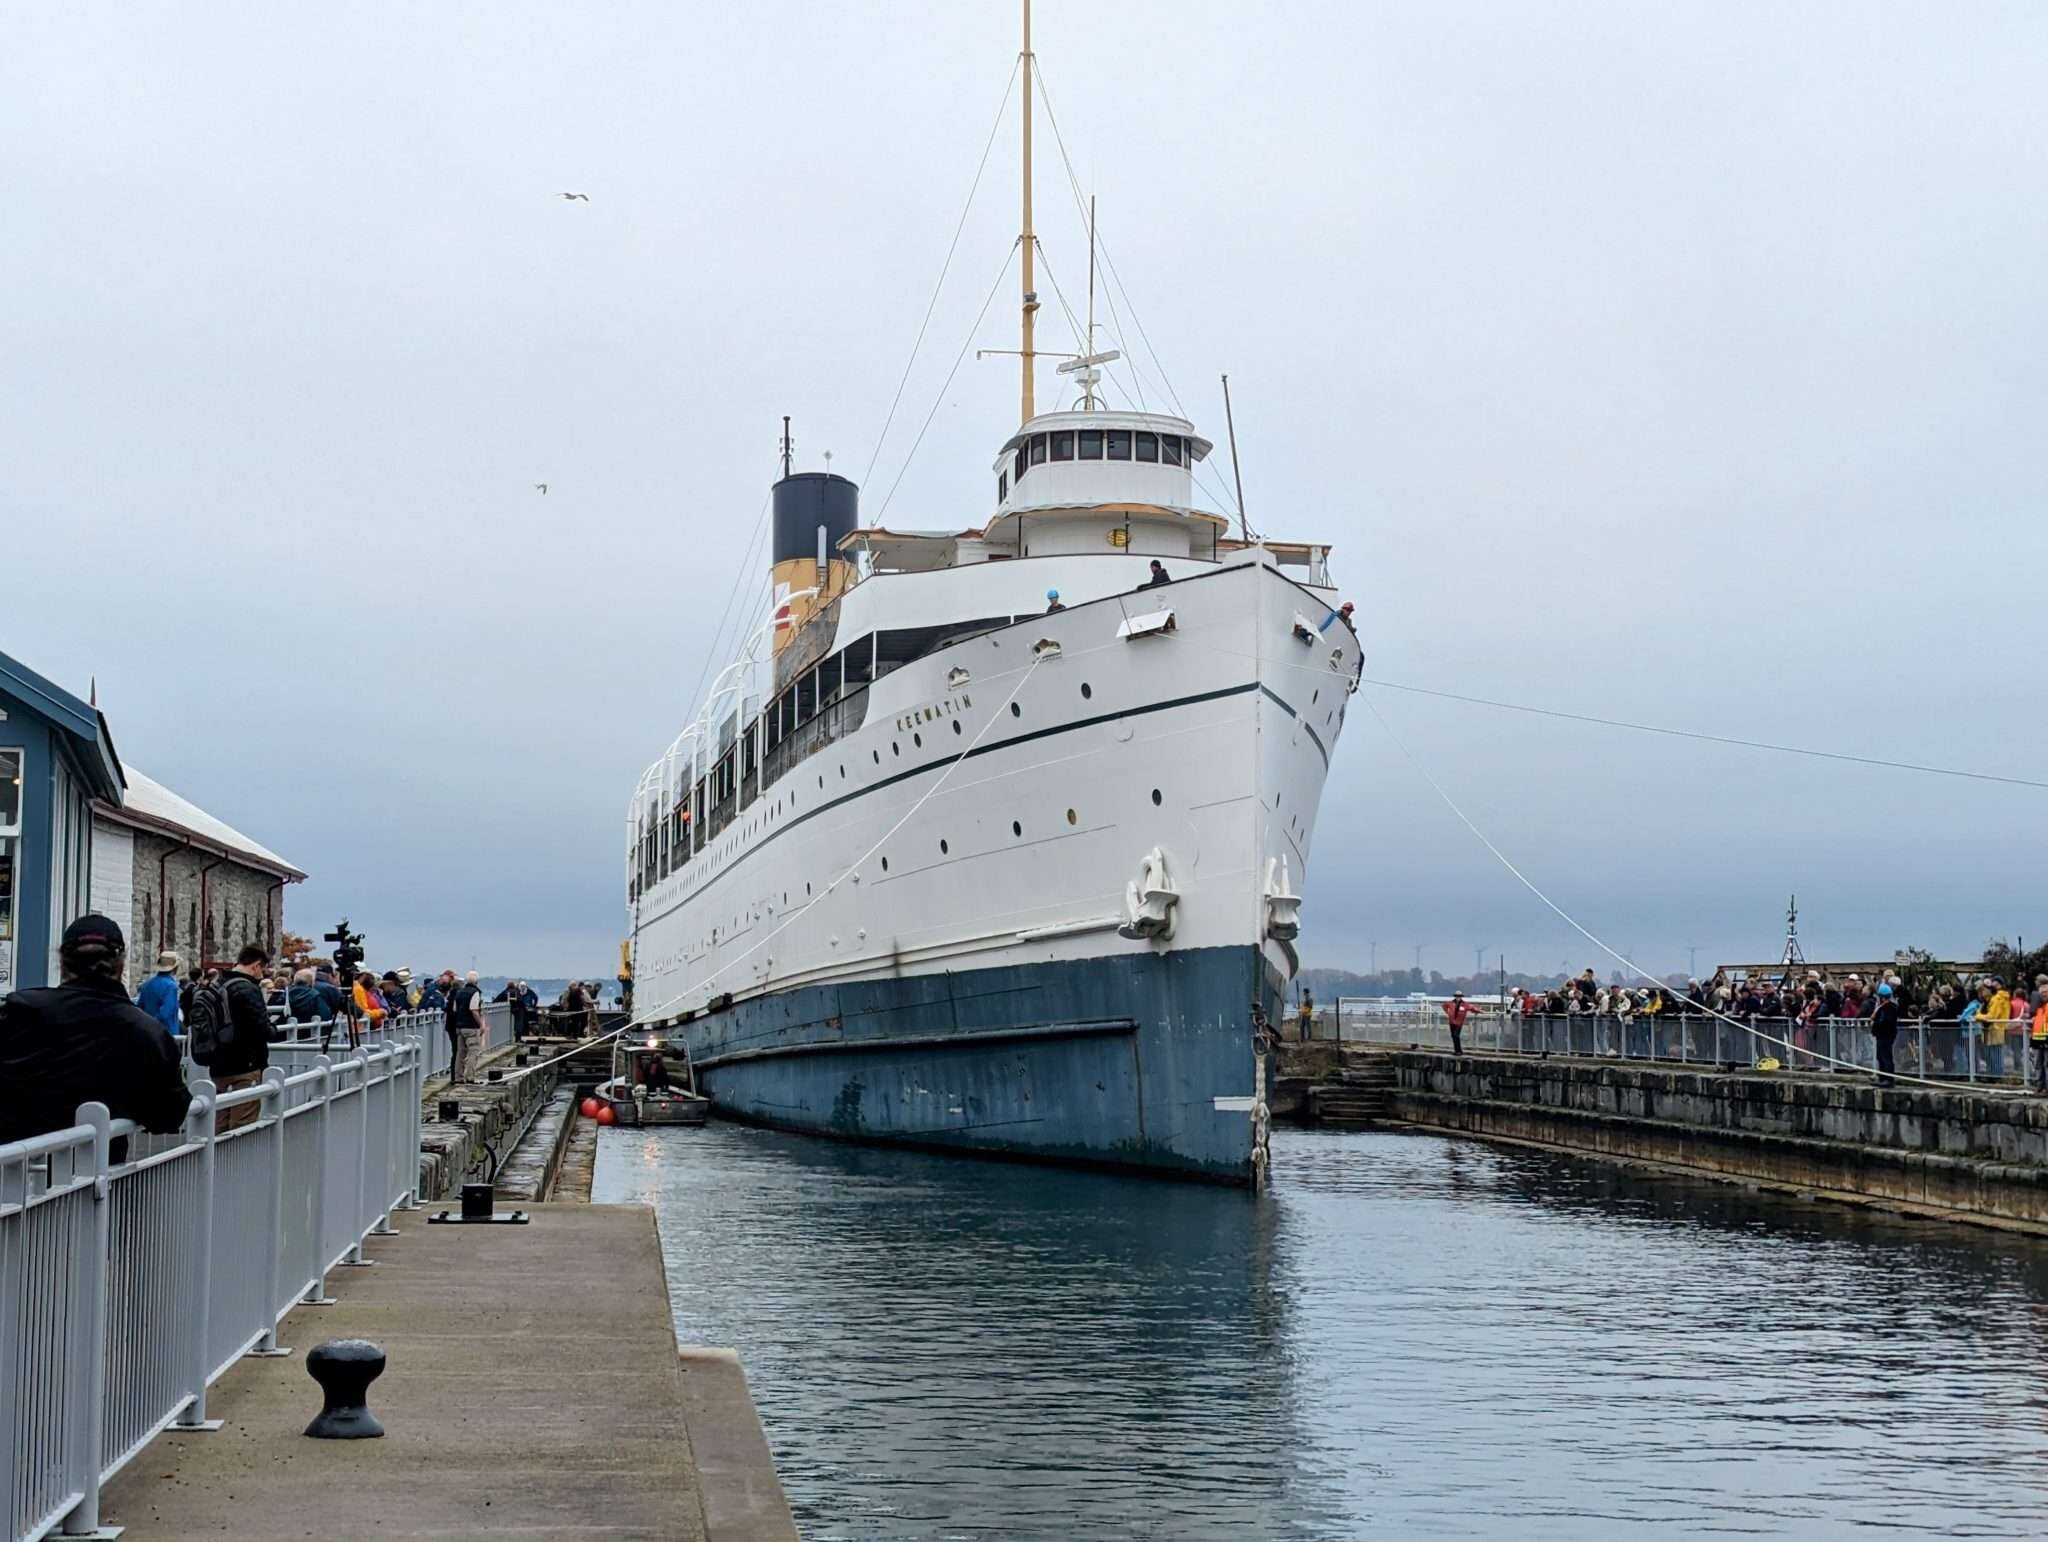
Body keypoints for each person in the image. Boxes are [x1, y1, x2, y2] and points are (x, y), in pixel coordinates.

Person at [0, 915, 193, 1160]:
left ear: (62, 962)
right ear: (120, 965)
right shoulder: (148, 1033)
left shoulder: (23, 1010)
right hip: (99, 1177)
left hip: (17, 1175)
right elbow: (169, 1115)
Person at [192, 942, 273, 1133]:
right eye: (262, 970)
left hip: (218, 1064)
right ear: (256, 965)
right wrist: (274, 1030)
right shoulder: (248, 989)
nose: (261, 976)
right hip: (246, 1065)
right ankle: (239, 1163)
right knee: (242, 1127)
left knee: (219, 1125)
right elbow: (262, 1028)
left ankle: (214, 1162)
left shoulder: (217, 984)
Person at [447, 969, 485, 1083]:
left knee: (460, 1053)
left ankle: (458, 1077)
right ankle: (470, 1077)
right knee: (473, 1052)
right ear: (477, 981)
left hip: (459, 1027)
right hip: (471, 1027)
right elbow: (474, 1010)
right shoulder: (475, 993)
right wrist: (481, 1024)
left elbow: (454, 1009)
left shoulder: (459, 992)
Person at [136, 949, 182, 1037]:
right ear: (175, 968)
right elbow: (166, 1012)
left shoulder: (146, 985)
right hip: (166, 1033)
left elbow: (139, 1008)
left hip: (147, 1032)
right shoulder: (171, 986)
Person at [1869, 982, 1900, 1086]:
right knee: (1880, 1056)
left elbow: (1885, 1022)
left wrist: (1874, 1023)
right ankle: (1882, 1077)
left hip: (1885, 1035)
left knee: (1886, 1056)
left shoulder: (1888, 1008)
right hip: (1882, 1035)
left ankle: (1888, 1078)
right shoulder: (1885, 1007)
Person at [1443, 990, 1474, 1055]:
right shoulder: (1450, 1003)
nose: (1458, 997)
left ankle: (1459, 1051)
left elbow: (1472, 1008)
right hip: (1452, 1022)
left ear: (1461, 997)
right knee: (1453, 1036)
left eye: (1459, 996)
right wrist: (1448, 1012)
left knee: (1456, 1035)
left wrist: (1479, 1011)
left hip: (1459, 1023)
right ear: (1455, 996)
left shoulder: (1465, 1004)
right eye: (1457, 996)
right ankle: (1456, 1050)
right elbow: (1444, 1006)